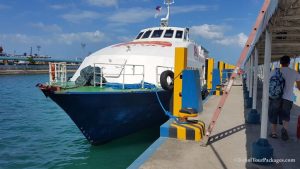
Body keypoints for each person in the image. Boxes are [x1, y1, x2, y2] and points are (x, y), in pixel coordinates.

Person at [269, 55, 300, 141]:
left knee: (274, 113)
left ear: (280, 62)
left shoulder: (275, 71)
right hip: (288, 97)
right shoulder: (294, 72)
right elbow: (298, 86)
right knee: (286, 115)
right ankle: (284, 130)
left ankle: (274, 133)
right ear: (289, 63)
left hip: (275, 97)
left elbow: (269, 83)